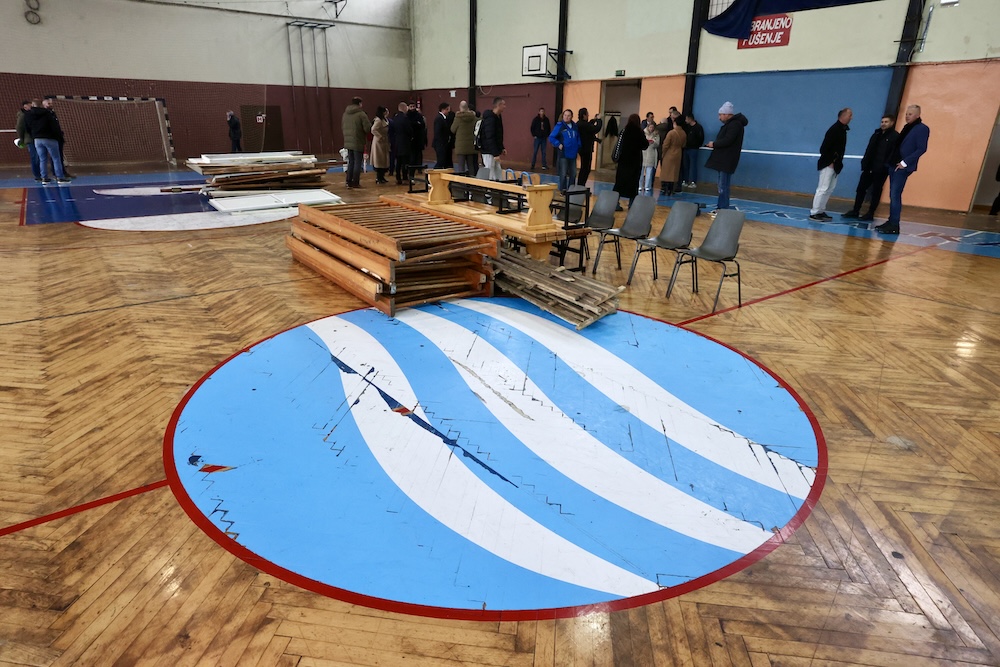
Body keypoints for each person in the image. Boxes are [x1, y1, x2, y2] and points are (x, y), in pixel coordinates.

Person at [877, 104, 929, 234]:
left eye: (910, 114)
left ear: (917, 115)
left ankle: (894, 224)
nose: (907, 116)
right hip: (894, 164)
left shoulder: (922, 128)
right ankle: (891, 221)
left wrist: (905, 162)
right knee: (892, 194)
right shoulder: (907, 127)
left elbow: (921, 148)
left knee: (895, 194)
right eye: (906, 114)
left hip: (902, 166)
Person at [842, 115, 898, 221]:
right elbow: (869, 149)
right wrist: (864, 163)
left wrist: (885, 166)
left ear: (892, 123)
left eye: (886, 122)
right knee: (861, 189)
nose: (883, 124)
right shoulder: (876, 134)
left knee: (876, 191)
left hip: (881, 170)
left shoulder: (895, 137)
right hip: (869, 167)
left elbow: (893, 154)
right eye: (882, 122)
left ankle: (871, 213)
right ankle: (855, 210)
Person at [809, 108, 853, 221]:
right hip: (828, 164)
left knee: (829, 189)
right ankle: (814, 212)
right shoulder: (834, 130)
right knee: (822, 188)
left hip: (836, 165)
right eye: (850, 115)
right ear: (843, 116)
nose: (851, 118)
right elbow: (824, 148)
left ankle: (821, 210)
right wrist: (830, 162)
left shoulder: (842, 130)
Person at [704, 101, 748, 211]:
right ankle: (722, 207)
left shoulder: (734, 125)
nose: (719, 118)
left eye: (720, 115)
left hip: (726, 159)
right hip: (725, 159)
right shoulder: (733, 124)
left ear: (727, 114)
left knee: (723, 185)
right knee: (723, 185)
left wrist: (714, 144)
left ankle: (722, 208)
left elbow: (728, 140)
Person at [23, 99, 70, 184]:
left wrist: (34, 135)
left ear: (32, 105)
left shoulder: (28, 115)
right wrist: (58, 136)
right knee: (56, 158)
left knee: (42, 159)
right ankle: (60, 177)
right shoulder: (47, 113)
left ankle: (44, 178)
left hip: (37, 139)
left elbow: (27, 127)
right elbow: (54, 126)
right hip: (49, 138)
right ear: (41, 105)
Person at [613, 113, 646, 206]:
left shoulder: (624, 131)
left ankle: (615, 203)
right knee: (634, 184)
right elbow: (645, 145)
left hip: (623, 161)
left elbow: (619, 145)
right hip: (635, 162)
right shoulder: (640, 132)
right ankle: (632, 205)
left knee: (619, 183)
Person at [341, 96, 371, 189]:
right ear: (360, 104)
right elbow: (367, 128)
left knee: (351, 162)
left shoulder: (345, 114)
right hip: (358, 141)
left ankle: (348, 181)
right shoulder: (361, 114)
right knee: (358, 162)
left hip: (348, 141)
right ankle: (355, 182)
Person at [549, 109, 581, 192]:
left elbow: (578, 137)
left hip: (573, 154)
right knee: (563, 173)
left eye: (568, 115)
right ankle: (563, 190)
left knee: (573, 173)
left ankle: (571, 190)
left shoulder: (575, 126)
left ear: (571, 117)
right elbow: (551, 137)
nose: (566, 117)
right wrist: (558, 144)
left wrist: (578, 146)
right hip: (563, 154)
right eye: (565, 115)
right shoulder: (559, 126)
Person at [479, 97, 506, 180]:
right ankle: (488, 187)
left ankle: (499, 186)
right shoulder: (490, 119)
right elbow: (489, 137)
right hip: (488, 150)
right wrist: (495, 153)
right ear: (498, 105)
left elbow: (498, 135)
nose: (505, 106)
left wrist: (501, 147)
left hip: (493, 150)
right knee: (490, 171)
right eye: (503, 104)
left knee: (497, 170)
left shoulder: (497, 117)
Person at [450, 101, 479, 176]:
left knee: (461, 165)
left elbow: (452, 129)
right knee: (471, 165)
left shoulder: (458, 118)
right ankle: (472, 179)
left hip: (461, 146)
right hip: (471, 145)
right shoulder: (474, 118)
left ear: (460, 107)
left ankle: (461, 180)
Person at [15, 100, 41, 182]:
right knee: (35, 157)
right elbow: (19, 127)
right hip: (29, 139)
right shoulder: (23, 115)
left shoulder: (32, 114)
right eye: (30, 105)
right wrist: (22, 139)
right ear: (25, 106)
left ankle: (41, 174)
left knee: (39, 156)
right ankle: (37, 175)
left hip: (36, 137)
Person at [576, 107, 602, 186]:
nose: (588, 115)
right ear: (584, 115)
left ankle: (581, 185)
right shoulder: (584, 125)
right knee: (586, 169)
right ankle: (581, 185)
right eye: (587, 114)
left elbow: (589, 128)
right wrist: (599, 120)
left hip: (582, 149)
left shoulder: (579, 123)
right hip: (586, 149)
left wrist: (594, 120)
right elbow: (596, 129)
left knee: (584, 168)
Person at [660, 118, 686, 197]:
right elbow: (684, 144)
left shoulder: (671, 133)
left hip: (669, 153)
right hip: (678, 153)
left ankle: (665, 189)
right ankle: (672, 189)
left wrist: (663, 153)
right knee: (674, 172)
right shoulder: (683, 133)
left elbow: (665, 144)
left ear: (675, 123)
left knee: (666, 172)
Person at [389, 102, 412, 184]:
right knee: (405, 161)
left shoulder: (395, 118)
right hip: (404, 142)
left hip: (396, 142)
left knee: (398, 161)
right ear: (404, 108)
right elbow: (409, 130)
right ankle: (405, 178)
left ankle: (398, 178)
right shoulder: (405, 118)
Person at [682, 114, 704, 188]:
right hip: (686, 148)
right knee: (685, 165)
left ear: (690, 118)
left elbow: (701, 138)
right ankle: (685, 180)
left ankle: (693, 181)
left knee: (693, 166)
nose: (685, 121)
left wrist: (697, 145)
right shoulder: (687, 127)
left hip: (694, 149)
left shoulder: (698, 127)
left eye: (686, 119)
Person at [406, 101, 427, 178]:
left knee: (419, 154)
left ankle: (419, 168)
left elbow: (422, 125)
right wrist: (416, 124)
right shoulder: (407, 115)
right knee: (412, 156)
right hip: (410, 140)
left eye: (413, 106)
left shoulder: (419, 115)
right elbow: (409, 125)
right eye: (411, 106)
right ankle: (411, 170)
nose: (412, 108)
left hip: (418, 139)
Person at [370, 106, 390, 184]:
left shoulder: (384, 119)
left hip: (384, 141)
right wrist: (380, 136)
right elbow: (373, 129)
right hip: (379, 142)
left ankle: (382, 177)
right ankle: (379, 178)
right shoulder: (378, 120)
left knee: (383, 160)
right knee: (379, 160)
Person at [639, 121, 660, 196]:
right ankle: (639, 185)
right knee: (640, 172)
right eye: (650, 127)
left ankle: (647, 186)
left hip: (651, 154)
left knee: (649, 172)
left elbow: (657, 144)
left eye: (652, 127)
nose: (651, 129)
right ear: (648, 127)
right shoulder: (643, 133)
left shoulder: (656, 134)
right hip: (643, 153)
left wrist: (653, 142)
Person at [432, 102, 453, 169]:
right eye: (448, 109)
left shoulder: (442, 118)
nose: (449, 111)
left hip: (442, 144)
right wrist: (442, 143)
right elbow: (438, 132)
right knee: (441, 161)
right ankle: (432, 173)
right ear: (443, 109)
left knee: (443, 161)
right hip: (440, 144)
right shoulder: (439, 119)